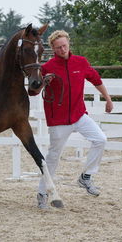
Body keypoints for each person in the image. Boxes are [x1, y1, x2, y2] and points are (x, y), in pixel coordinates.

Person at [29, 30, 113, 209]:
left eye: (64, 46)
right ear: (52, 48)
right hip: (58, 120)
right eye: (58, 47)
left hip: (79, 115)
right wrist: (44, 82)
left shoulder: (80, 62)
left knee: (100, 139)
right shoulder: (46, 67)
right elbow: (33, 91)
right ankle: (43, 192)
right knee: (53, 157)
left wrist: (108, 99)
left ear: (69, 43)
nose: (62, 49)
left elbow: (96, 80)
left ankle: (86, 177)